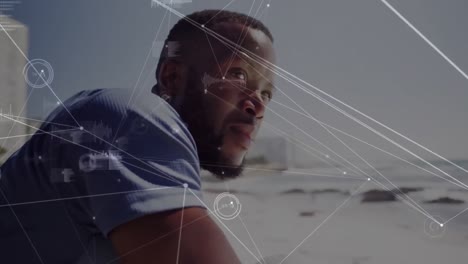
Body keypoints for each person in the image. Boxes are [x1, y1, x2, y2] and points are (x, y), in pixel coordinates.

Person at [0, 9, 276, 263]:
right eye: (238, 74)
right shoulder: (134, 120)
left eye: (266, 92)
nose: (259, 105)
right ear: (171, 77)